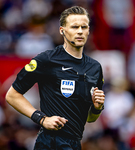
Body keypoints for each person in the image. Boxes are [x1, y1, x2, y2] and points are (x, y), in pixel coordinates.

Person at [5, 6, 105, 150]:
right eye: (74, 27)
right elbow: (12, 95)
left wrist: (97, 108)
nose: (80, 31)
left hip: (75, 143)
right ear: (62, 31)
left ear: (89, 30)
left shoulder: (95, 68)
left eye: (84, 27)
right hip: (50, 142)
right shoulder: (47, 60)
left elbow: (90, 118)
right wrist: (41, 119)